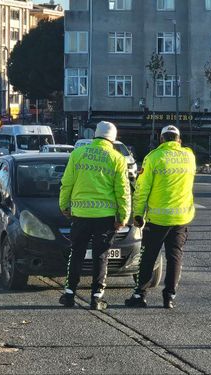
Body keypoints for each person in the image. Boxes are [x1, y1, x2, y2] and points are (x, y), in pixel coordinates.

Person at [58, 121, 131, 311]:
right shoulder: (117, 158)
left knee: (77, 253)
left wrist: (64, 205)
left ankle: (69, 293)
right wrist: (123, 215)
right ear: (113, 139)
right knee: (101, 256)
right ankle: (96, 297)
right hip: (105, 217)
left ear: (95, 136)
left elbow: (67, 183)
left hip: (80, 214)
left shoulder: (78, 154)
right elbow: (122, 190)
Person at [125, 125, 196, 309]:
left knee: (148, 257)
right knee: (175, 257)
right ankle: (169, 297)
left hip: (157, 220)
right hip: (181, 218)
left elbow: (142, 189)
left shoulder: (154, 158)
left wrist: (138, 214)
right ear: (179, 140)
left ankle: (140, 295)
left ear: (161, 139)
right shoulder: (189, 157)